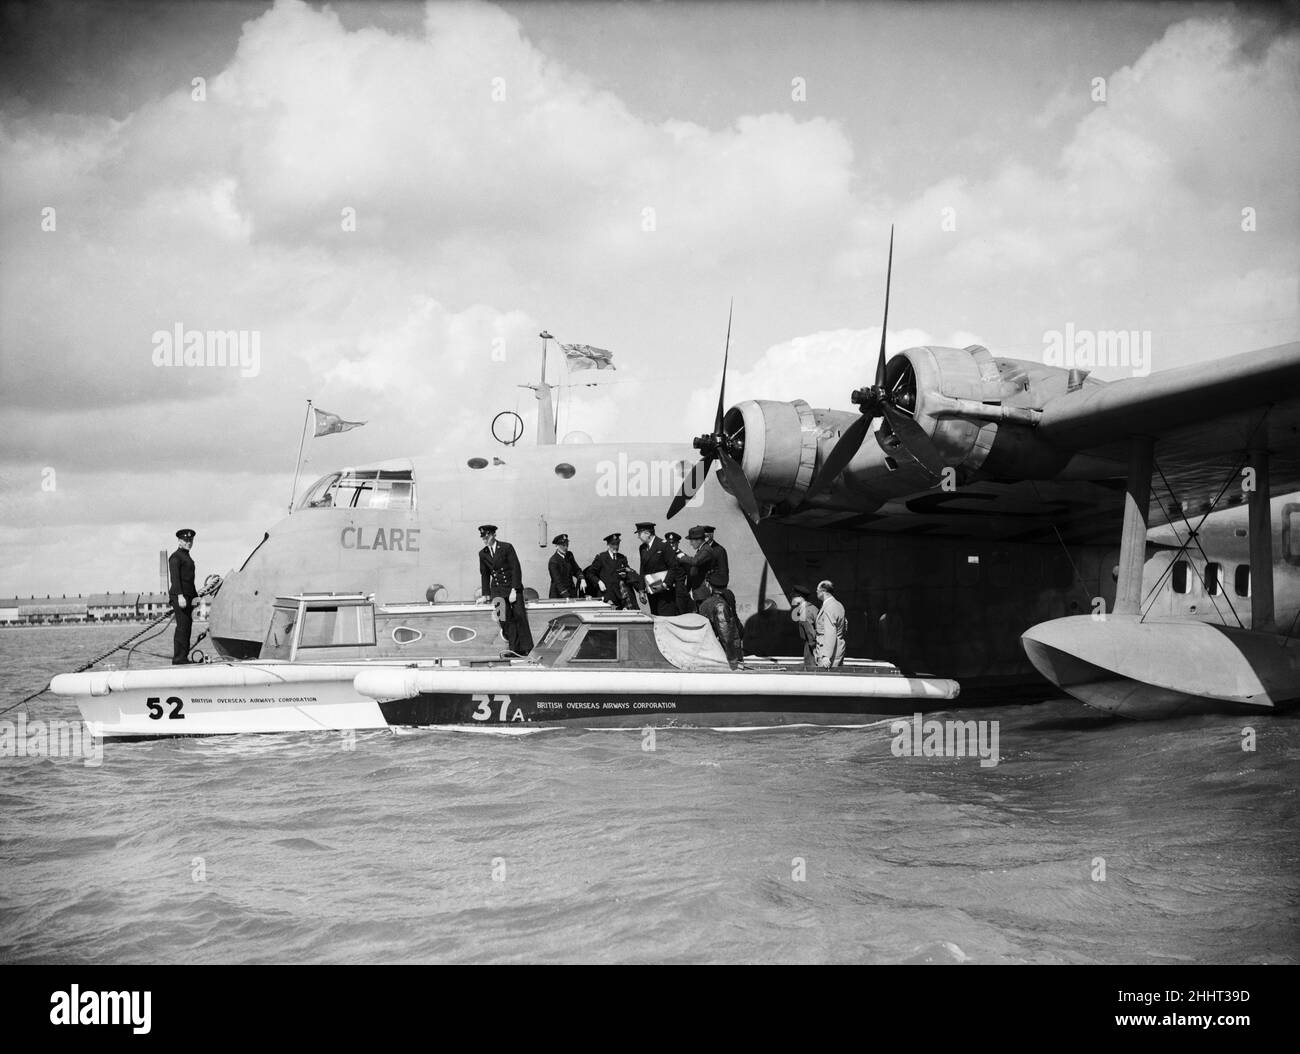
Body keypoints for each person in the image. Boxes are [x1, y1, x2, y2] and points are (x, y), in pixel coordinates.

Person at [476, 525, 534, 655]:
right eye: (483, 538)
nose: (484, 540)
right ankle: (514, 649)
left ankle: (527, 649)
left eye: (487, 537)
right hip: (497, 591)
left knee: (519, 617)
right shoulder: (483, 553)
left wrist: (514, 589)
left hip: (512, 588)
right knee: (504, 619)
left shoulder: (506, 547)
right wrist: (486, 595)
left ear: (493, 535)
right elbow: (484, 574)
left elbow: (515, 568)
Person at [626, 521, 680, 616]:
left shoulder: (663, 545)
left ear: (647, 533)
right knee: (655, 617)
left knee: (665, 618)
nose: (638, 536)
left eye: (639, 534)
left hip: (665, 593)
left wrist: (664, 585)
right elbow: (643, 569)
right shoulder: (642, 548)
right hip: (652, 590)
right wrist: (641, 590)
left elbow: (674, 567)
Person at [168, 528, 198, 664]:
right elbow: (175, 579)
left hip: (189, 596)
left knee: (188, 626)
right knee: (182, 626)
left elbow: (190, 580)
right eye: (186, 540)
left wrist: (196, 597)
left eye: (190, 540)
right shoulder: (175, 557)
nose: (189, 542)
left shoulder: (187, 557)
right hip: (180, 596)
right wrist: (180, 596)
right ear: (179, 541)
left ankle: (183, 657)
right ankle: (178, 658)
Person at [584, 533, 636, 609]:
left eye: (617, 544)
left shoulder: (622, 558)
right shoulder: (601, 557)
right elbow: (590, 573)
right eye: (613, 544)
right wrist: (599, 582)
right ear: (608, 545)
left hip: (620, 596)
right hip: (606, 596)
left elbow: (628, 573)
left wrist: (625, 575)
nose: (616, 547)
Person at [697, 581, 744, 666]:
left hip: (709, 652)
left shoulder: (705, 603)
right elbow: (726, 634)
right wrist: (733, 659)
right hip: (721, 655)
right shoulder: (720, 606)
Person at [814, 579, 847, 668]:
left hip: (828, 654)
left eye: (817, 590)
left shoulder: (829, 607)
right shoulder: (838, 605)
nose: (816, 592)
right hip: (837, 649)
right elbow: (845, 626)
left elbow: (830, 631)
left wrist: (826, 656)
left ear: (823, 591)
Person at [664, 531, 693, 614]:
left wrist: (686, 589)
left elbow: (690, 574)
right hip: (669, 591)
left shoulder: (682, 556)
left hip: (679, 590)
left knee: (681, 613)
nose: (671, 545)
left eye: (673, 543)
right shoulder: (666, 556)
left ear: (677, 543)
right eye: (669, 543)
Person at [547, 534, 585, 598]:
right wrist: (567, 596)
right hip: (559, 595)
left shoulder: (569, 555)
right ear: (556, 546)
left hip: (571, 593)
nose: (566, 547)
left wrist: (582, 579)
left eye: (567, 544)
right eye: (563, 545)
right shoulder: (553, 561)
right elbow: (558, 582)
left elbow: (576, 570)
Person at [790, 586, 820, 669]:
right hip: (817, 643)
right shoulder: (813, 608)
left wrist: (814, 649)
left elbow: (809, 632)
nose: (793, 600)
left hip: (811, 646)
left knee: (811, 669)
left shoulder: (805, 611)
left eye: (794, 597)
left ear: (800, 597)